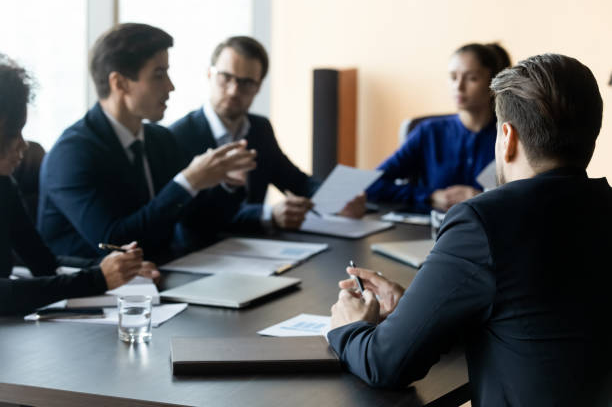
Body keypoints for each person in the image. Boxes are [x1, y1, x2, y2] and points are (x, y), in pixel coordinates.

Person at [328, 54, 612, 406]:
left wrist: (348, 325)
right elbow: (541, 330)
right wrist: (423, 313)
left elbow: (385, 363)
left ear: (506, 137)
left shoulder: (484, 220)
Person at [37, 24, 257, 261]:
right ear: (119, 83)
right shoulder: (71, 154)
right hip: (92, 290)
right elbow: (114, 241)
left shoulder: (159, 139)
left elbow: (200, 222)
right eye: (159, 75)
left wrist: (228, 185)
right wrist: (187, 182)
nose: (170, 86)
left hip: (160, 277)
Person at [0, 54, 158, 316]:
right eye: (13, 133)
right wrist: (97, 278)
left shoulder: (4, 185)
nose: (23, 145)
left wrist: (114, 266)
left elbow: (44, 264)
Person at [170, 36, 365, 232]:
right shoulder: (178, 135)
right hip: (201, 252)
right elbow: (189, 217)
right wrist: (267, 214)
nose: (233, 90)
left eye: (246, 83)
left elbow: (295, 180)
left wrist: (339, 199)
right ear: (209, 74)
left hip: (260, 247)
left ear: (259, 87)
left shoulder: (259, 128)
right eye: (226, 77)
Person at [366, 43, 511, 213]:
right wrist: (431, 195)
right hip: (431, 232)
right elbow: (371, 183)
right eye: (453, 77)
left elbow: (523, 195)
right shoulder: (429, 132)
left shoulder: (510, 135)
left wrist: (481, 197)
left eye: (471, 78)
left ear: (493, 82)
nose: (459, 86)